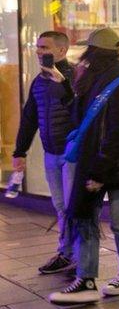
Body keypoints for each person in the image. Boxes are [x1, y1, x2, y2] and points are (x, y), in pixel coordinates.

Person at [48, 28, 119, 305]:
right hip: (96, 163)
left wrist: (98, 173)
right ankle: (87, 278)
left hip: (111, 166)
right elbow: (83, 118)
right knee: (86, 217)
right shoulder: (100, 77)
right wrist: (65, 87)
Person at [13, 31, 77, 275]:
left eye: (45, 47)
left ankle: (80, 257)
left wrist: (63, 84)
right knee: (60, 205)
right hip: (51, 153)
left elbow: (78, 111)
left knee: (73, 207)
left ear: (61, 51)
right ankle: (66, 252)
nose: (39, 52)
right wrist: (20, 151)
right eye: (38, 47)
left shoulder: (74, 78)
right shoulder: (39, 81)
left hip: (72, 153)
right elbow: (30, 117)